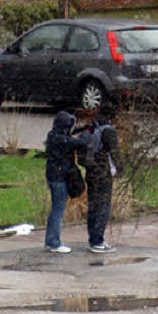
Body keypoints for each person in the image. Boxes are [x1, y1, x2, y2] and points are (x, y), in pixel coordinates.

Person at [44, 110, 93, 253]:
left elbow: (71, 136)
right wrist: (87, 134)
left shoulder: (53, 135)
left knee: (56, 209)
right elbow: (78, 142)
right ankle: (54, 242)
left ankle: (51, 240)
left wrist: (84, 128)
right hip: (58, 179)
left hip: (55, 177)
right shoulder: (60, 140)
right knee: (57, 210)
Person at [84, 100, 124, 253]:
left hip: (91, 172)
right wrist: (121, 169)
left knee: (93, 206)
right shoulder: (108, 131)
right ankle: (98, 240)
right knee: (103, 207)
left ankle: (93, 238)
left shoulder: (92, 127)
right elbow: (114, 153)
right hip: (103, 173)